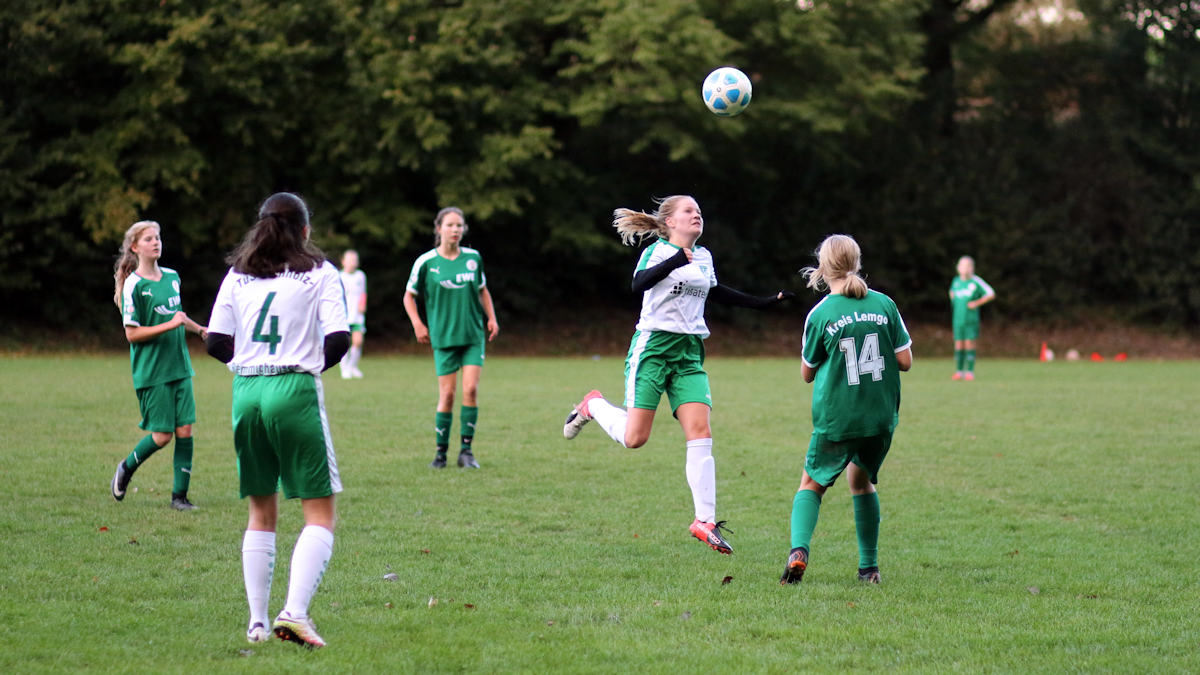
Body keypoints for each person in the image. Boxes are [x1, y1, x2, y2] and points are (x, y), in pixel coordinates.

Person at [562, 195, 792, 555]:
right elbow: (638, 286)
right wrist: (673, 260)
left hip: (688, 353)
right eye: (689, 210)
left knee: (700, 431)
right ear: (670, 222)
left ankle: (705, 521)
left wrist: (763, 301)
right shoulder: (657, 252)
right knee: (635, 438)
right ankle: (593, 405)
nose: (697, 214)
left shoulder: (703, 256)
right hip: (653, 349)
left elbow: (716, 292)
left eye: (699, 210)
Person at [205, 193, 350, 648]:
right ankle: (296, 613)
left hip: (246, 391)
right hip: (292, 388)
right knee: (320, 513)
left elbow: (214, 341)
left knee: (260, 510)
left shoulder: (239, 274)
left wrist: (249, 363)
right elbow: (339, 338)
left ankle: (257, 624)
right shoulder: (319, 272)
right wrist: (304, 368)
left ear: (261, 228)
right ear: (305, 230)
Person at [781, 234, 912, 585]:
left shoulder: (821, 313)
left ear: (824, 268)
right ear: (857, 263)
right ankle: (869, 569)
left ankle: (799, 551)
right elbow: (905, 361)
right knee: (862, 480)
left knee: (811, 483)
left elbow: (807, 373)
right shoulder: (885, 304)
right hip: (880, 416)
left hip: (838, 417)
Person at [110, 220, 208, 511]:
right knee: (162, 436)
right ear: (135, 247)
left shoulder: (173, 277)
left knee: (186, 430)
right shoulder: (134, 285)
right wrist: (170, 325)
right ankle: (125, 468)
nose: (156, 242)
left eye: (158, 237)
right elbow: (132, 333)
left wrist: (200, 329)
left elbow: (178, 316)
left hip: (180, 365)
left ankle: (180, 497)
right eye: (149, 238)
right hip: (152, 371)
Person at [403, 206, 499, 470]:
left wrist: (491, 318)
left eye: (460, 225)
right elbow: (408, 296)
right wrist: (417, 324)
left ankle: (466, 452)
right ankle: (440, 453)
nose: (456, 230)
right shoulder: (426, 262)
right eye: (450, 225)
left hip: (472, 336)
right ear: (438, 229)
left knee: (470, 390)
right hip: (443, 338)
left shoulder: (472, 258)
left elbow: (482, 290)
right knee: (447, 395)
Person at [949, 255, 995, 381]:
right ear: (958, 267)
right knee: (958, 344)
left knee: (969, 343)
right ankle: (959, 372)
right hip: (958, 319)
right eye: (962, 265)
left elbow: (991, 293)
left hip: (971, 320)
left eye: (968, 266)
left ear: (972, 268)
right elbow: (952, 293)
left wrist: (976, 303)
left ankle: (969, 372)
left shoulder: (975, 281)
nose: (965, 268)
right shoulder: (956, 281)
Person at [338, 249, 368, 379]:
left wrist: (362, 304)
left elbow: (363, 292)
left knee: (358, 341)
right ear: (343, 261)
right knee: (345, 342)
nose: (352, 263)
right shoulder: (339, 276)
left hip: (357, 315)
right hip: (344, 315)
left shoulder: (360, 276)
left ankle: (352, 366)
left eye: (354, 260)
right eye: (349, 260)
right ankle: (344, 368)